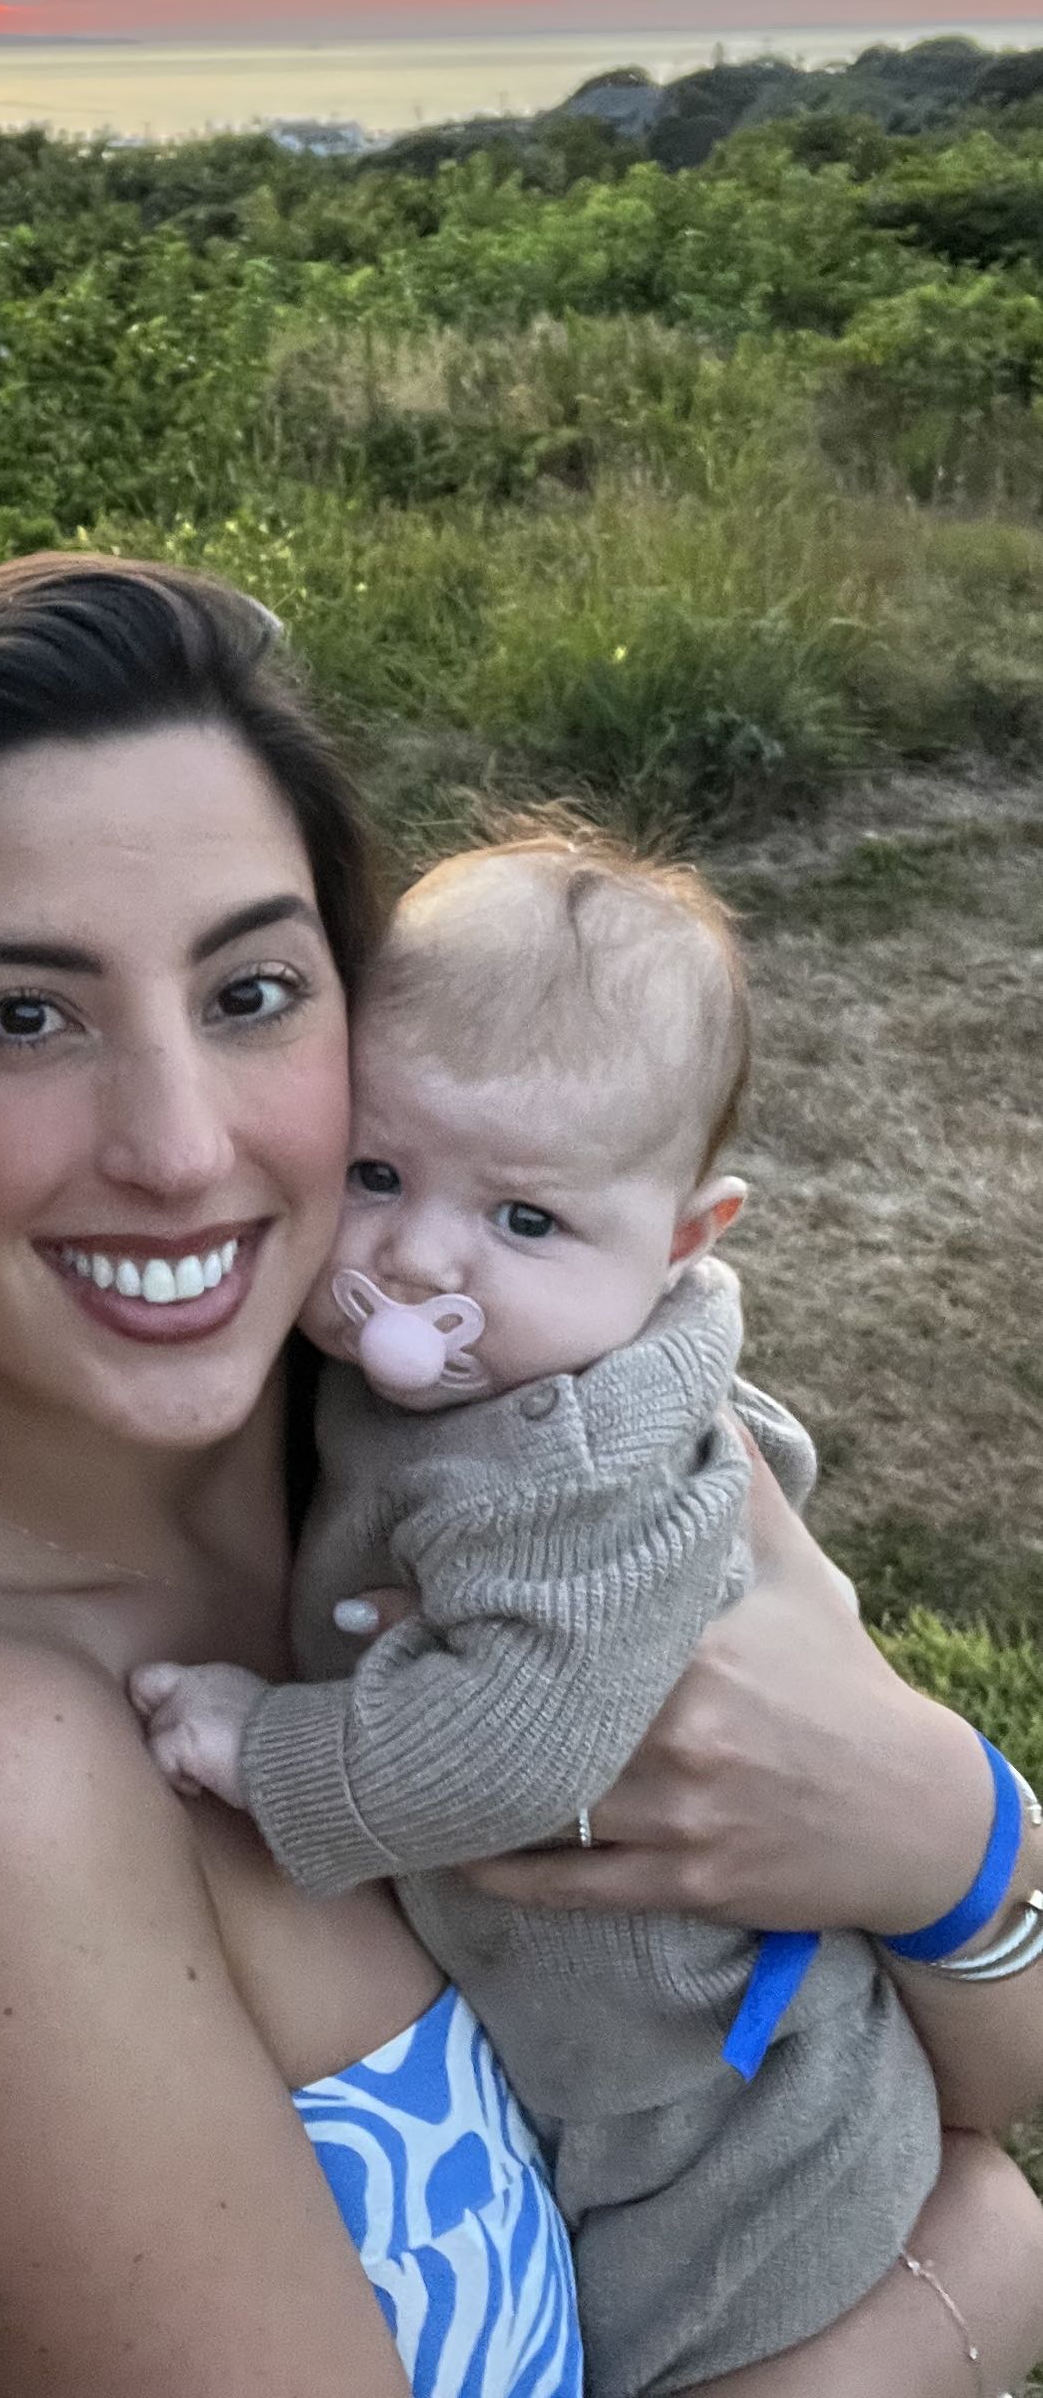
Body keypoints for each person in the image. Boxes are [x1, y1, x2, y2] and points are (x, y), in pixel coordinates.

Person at [0, 552, 1043, 2398]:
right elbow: (979, 2174)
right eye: (25, 1017)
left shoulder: (458, 1444)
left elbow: (991, 2065)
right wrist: (974, 2277)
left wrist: (949, 1832)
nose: (181, 1146)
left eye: (253, 991)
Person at [131, 829, 1040, 2396]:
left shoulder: (565, 1461)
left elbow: (509, 1743)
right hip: (634, 2078)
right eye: (377, 1173)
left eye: (527, 1222)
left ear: (687, 1242)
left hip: (723, 2154)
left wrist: (265, 1743)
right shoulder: (484, 1364)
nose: (419, 1261)